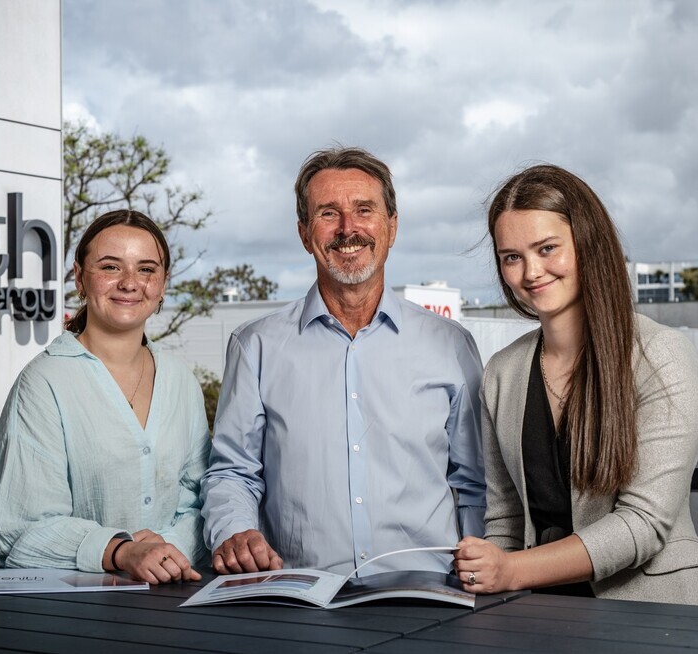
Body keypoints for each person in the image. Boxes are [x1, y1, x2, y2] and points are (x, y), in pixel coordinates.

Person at [454, 164, 698, 607]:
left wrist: (511, 572)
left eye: (547, 248)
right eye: (512, 257)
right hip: (544, 619)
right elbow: (506, 520)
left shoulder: (661, 355)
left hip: (665, 616)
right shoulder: (502, 373)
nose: (531, 272)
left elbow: (644, 523)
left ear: (587, 244)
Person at [201, 146, 486, 576]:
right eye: (328, 213)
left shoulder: (451, 345)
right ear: (303, 232)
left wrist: (479, 583)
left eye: (364, 210)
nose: (348, 229)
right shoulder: (254, 346)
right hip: (300, 603)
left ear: (392, 226)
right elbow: (233, 472)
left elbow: (475, 487)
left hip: (430, 596)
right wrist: (235, 530)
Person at [0, 210, 210, 584]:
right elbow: (21, 533)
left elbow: (197, 499)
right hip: (78, 614)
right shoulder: (44, 383)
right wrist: (121, 551)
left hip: (174, 598)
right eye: (111, 267)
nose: (129, 283)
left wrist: (164, 553)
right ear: (79, 276)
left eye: (146, 270)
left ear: (162, 284)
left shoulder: (179, 380)